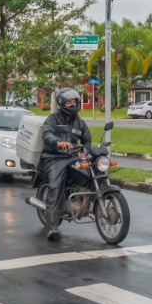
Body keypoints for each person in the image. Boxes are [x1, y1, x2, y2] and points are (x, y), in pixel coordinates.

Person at [39, 87, 91, 240]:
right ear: (61, 104)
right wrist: (58, 142)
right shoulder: (53, 119)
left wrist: (85, 152)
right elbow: (46, 134)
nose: (72, 104)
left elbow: (87, 140)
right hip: (54, 157)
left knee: (92, 171)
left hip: (73, 157)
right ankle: (52, 227)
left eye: (74, 101)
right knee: (56, 187)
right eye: (68, 102)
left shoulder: (79, 122)